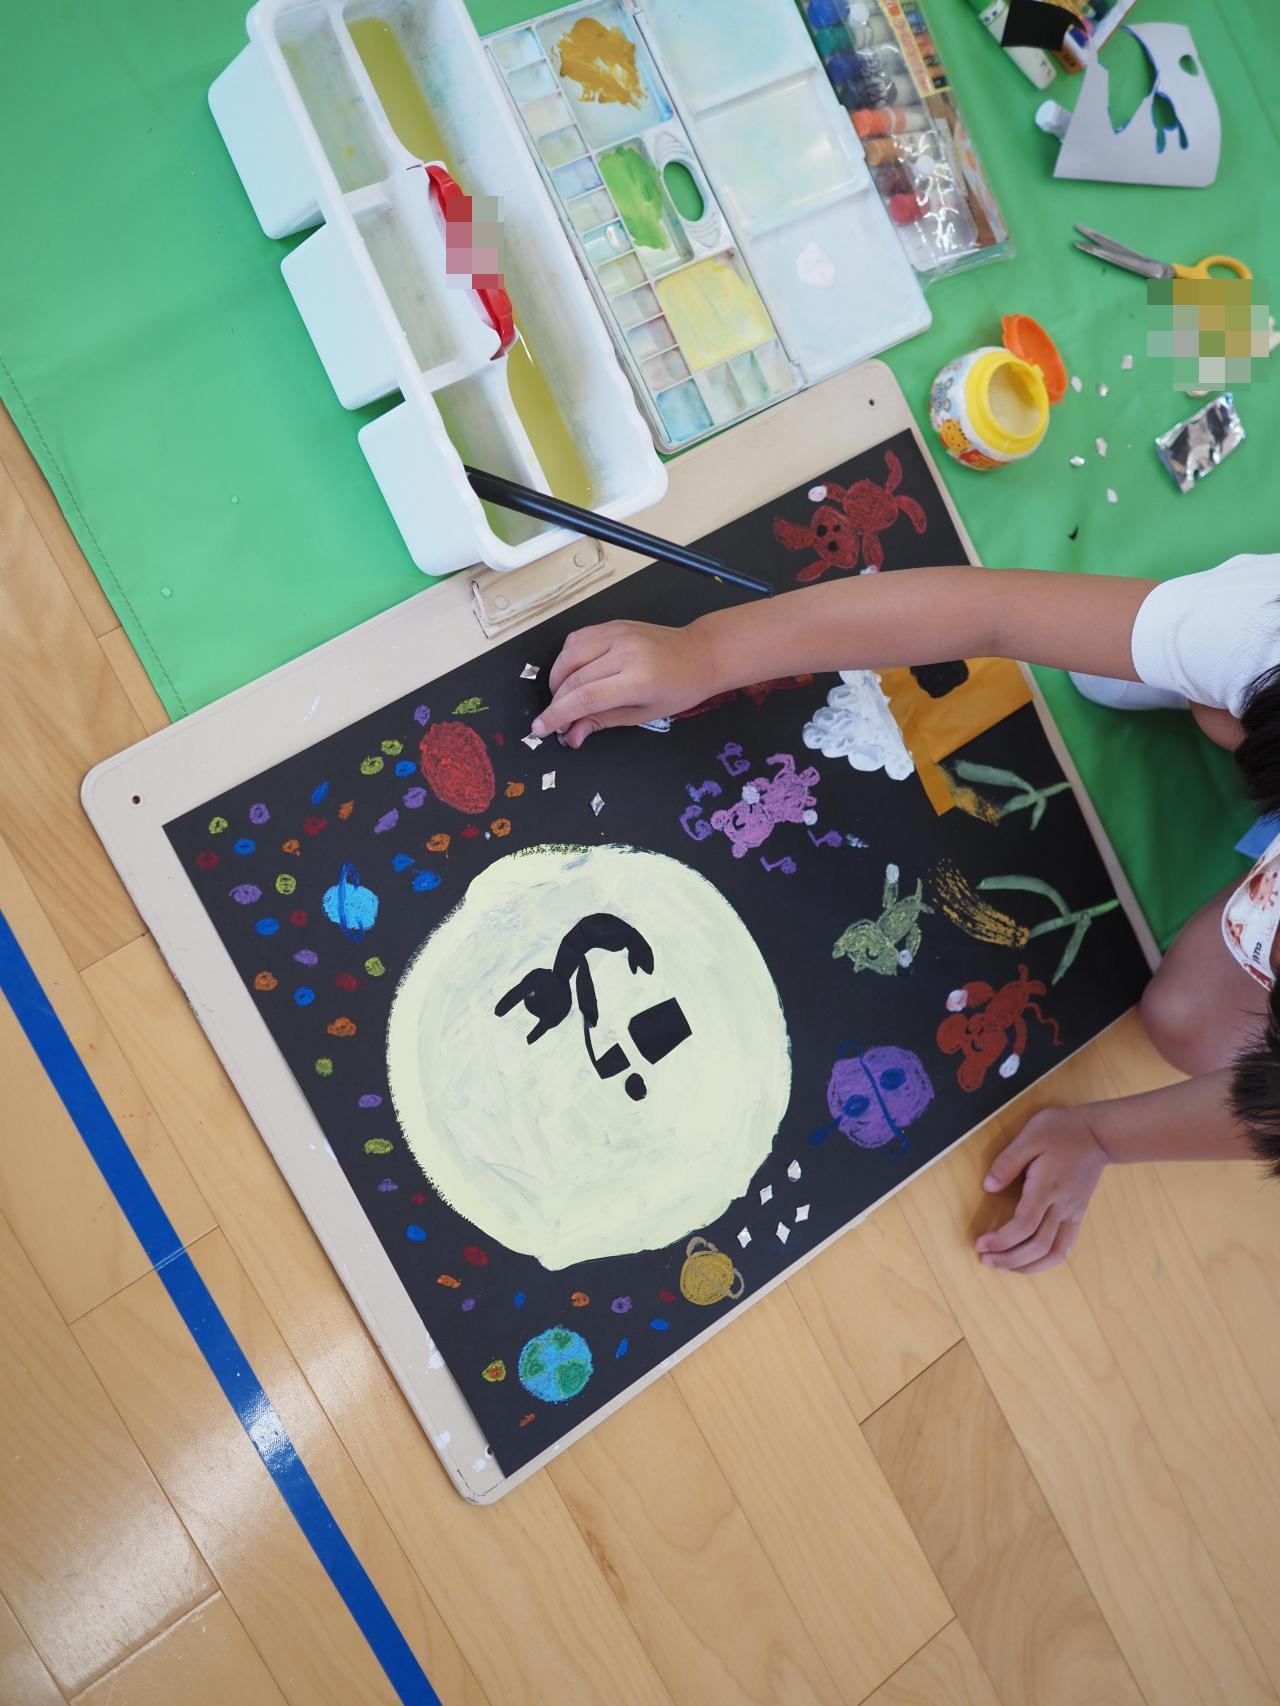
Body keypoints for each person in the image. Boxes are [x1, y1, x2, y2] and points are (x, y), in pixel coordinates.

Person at [530, 552, 1280, 1275]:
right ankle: (1207, 681)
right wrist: (707, 653)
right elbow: (991, 611)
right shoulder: (1259, 637)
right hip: (1252, 659)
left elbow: (1265, 1112)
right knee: (1145, 683)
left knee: (1186, 1026)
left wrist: (1101, 1137)